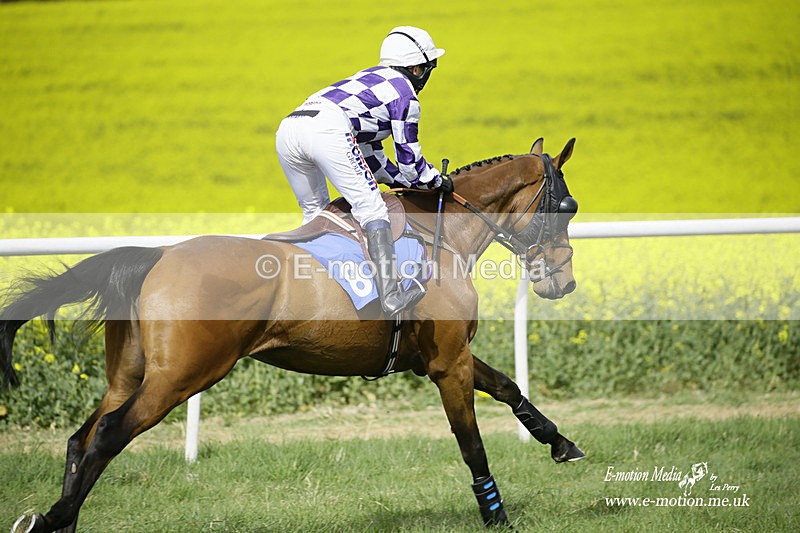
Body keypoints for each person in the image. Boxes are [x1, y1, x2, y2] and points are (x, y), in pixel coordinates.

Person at [276, 26, 453, 317]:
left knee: (316, 212)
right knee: (372, 209)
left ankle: (315, 290)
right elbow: (410, 165)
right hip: (326, 129)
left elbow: (374, 162)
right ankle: (391, 294)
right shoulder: (405, 94)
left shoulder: (369, 77)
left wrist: (405, 178)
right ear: (418, 68)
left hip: (289, 128)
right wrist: (436, 180)